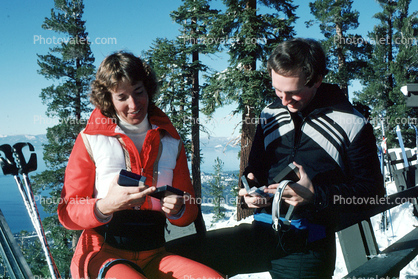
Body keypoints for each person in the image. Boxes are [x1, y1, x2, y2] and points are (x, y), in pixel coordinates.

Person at [57, 51, 224, 279]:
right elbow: (67, 212)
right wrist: (105, 206)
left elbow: (190, 210)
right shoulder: (91, 139)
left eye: (138, 92)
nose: (134, 104)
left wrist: (179, 208)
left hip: (155, 254)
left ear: (148, 89)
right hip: (102, 253)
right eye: (122, 97)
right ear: (109, 99)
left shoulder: (171, 141)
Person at [239, 38, 384, 278]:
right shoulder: (270, 113)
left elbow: (372, 193)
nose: (284, 101)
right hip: (261, 230)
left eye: (294, 93)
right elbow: (256, 168)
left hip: (307, 243)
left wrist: (316, 196)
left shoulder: (351, 122)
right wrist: (250, 187)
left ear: (317, 80)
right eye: (277, 90)